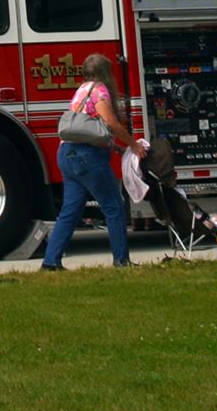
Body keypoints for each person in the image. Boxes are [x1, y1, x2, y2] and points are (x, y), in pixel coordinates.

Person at [40, 53, 141, 270]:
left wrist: (114, 147)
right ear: (106, 73)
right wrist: (134, 144)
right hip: (88, 157)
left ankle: (51, 262)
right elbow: (110, 122)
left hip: (66, 153)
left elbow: (86, 128)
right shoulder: (100, 91)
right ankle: (121, 260)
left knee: (70, 211)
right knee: (114, 207)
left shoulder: (81, 90)